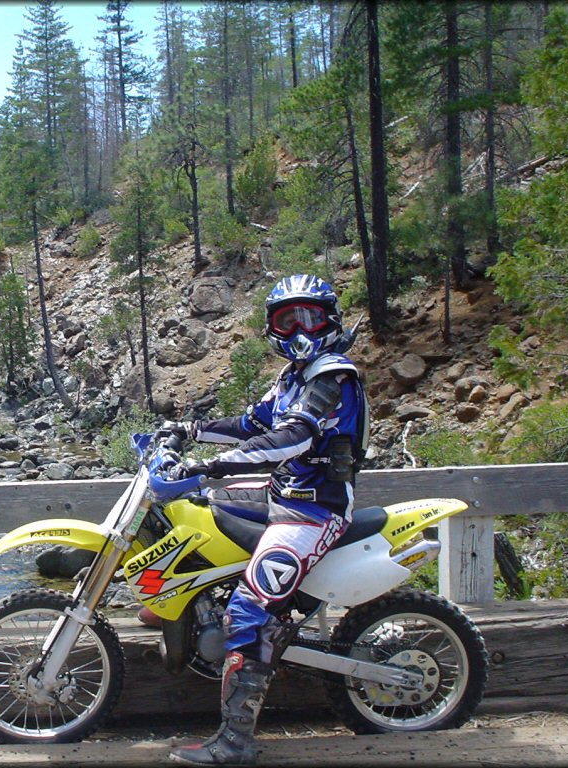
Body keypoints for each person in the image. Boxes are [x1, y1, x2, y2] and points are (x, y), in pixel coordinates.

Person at [163, 274, 368, 766]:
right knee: (202, 509)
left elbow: (291, 439)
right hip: (283, 494)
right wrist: (188, 429)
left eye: (309, 316)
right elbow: (254, 424)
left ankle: (234, 743)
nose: (300, 328)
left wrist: (209, 463)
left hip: (314, 511)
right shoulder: (294, 377)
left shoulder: (331, 376)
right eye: (287, 318)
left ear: (329, 318)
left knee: (247, 611)